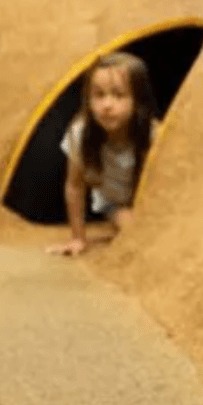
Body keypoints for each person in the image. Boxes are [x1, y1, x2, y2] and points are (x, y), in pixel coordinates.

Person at [47, 51, 157, 256]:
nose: (106, 105)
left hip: (146, 200)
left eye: (118, 95)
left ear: (138, 100)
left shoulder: (152, 134)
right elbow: (74, 186)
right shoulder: (80, 133)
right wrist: (78, 238)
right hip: (114, 202)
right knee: (131, 226)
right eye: (99, 95)